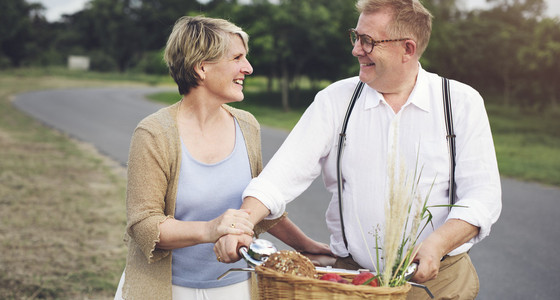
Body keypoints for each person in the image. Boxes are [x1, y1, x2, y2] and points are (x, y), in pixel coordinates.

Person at [214, 0, 502, 299]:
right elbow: (280, 177)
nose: (356, 49)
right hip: (353, 279)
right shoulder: (335, 100)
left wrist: (438, 243)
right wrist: (242, 221)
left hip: (438, 279)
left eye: (368, 41)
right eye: (356, 36)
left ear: (408, 49)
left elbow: (483, 196)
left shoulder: (461, 102)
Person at [115, 15, 330, 300]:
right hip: (167, 289)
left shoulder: (247, 125)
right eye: (237, 58)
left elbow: (258, 207)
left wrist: (306, 246)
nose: (248, 68)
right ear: (202, 67)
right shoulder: (154, 134)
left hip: (236, 287)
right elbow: (144, 225)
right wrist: (211, 229)